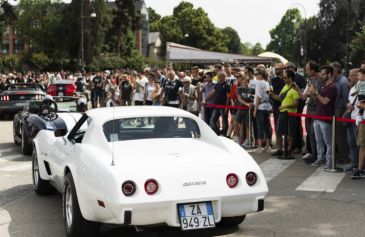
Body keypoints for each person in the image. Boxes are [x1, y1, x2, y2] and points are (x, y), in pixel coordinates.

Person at [309, 65, 338, 170]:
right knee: (318, 140)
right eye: (321, 74)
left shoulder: (333, 87)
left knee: (328, 142)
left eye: (323, 74)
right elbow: (317, 100)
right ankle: (320, 158)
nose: (321, 76)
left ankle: (329, 162)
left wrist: (316, 92)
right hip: (318, 116)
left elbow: (325, 101)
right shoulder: (323, 86)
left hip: (326, 118)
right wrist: (312, 93)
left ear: (329, 74)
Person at [270, 70, 300, 156]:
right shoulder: (285, 86)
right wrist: (271, 94)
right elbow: (279, 98)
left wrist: (285, 106)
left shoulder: (295, 88)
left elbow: (296, 103)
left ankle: (289, 150)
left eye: (285, 77)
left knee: (290, 133)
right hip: (282, 113)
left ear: (290, 78)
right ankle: (280, 149)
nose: (283, 79)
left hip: (290, 114)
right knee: (278, 131)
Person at [300, 61, 324, 162]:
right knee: (310, 133)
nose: (306, 72)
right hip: (310, 109)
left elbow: (317, 98)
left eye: (308, 70)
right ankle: (313, 154)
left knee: (316, 135)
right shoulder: (310, 80)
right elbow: (304, 96)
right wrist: (298, 89)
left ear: (313, 70)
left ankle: (318, 156)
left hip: (317, 110)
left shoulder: (321, 80)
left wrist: (312, 93)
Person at [331, 62, 350, 164]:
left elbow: (345, 99)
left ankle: (344, 157)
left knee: (340, 135)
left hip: (340, 110)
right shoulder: (337, 81)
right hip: (336, 109)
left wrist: (344, 113)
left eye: (331, 70)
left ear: (336, 71)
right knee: (337, 135)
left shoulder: (343, 81)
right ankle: (340, 155)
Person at [252, 69, 272, 153]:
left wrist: (255, 109)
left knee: (260, 126)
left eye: (257, 74)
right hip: (267, 106)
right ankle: (267, 145)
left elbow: (258, 97)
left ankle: (260, 146)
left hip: (261, 107)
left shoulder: (260, 83)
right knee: (267, 126)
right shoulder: (267, 83)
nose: (255, 75)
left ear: (261, 75)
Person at [206, 71, 231, 136]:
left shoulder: (227, 85)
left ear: (224, 77)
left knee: (224, 121)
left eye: (220, 76)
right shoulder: (217, 84)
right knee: (212, 120)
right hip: (216, 106)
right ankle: (218, 132)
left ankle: (225, 133)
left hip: (223, 106)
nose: (219, 77)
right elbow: (212, 93)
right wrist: (205, 99)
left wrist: (226, 107)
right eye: (218, 76)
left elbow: (228, 97)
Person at [346, 68, 360, 173]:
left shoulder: (362, 88)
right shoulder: (352, 88)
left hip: (358, 120)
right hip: (351, 119)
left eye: (351, 75)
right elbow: (349, 102)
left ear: (357, 76)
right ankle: (354, 163)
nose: (349, 77)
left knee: (358, 144)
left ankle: (360, 165)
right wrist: (348, 106)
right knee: (351, 143)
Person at [234, 74, 254, 144]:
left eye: (246, 82)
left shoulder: (252, 90)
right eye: (243, 82)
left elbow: (253, 99)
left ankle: (248, 140)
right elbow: (239, 99)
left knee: (248, 125)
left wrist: (251, 104)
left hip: (248, 110)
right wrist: (247, 104)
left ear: (248, 82)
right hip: (241, 108)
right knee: (236, 122)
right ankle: (237, 138)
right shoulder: (239, 89)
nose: (244, 84)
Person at [270, 63, 286, 151]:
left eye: (278, 69)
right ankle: (279, 145)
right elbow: (272, 91)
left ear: (282, 69)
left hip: (286, 105)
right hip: (276, 105)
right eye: (275, 69)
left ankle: (286, 145)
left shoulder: (286, 79)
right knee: (277, 125)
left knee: (286, 126)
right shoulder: (273, 80)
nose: (276, 71)